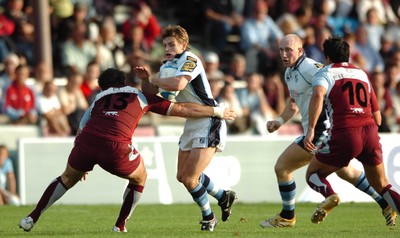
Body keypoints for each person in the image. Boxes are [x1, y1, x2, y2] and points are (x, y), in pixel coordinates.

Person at [19, 68, 236, 233]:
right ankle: (120, 226)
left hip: (86, 143)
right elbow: (182, 109)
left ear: (103, 87)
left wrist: (82, 163)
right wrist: (216, 111)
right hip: (116, 146)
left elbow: (82, 128)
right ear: (123, 82)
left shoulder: (98, 99)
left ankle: (32, 217)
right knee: (140, 177)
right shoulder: (138, 95)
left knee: (66, 178)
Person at [260, 34, 397, 228]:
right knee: (347, 172)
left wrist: (315, 128)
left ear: (300, 51)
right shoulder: (289, 73)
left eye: (288, 50)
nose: (284, 54)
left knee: (283, 167)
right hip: (343, 132)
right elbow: (294, 103)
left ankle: (288, 216)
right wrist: (279, 121)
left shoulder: (311, 68)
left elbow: (328, 87)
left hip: (322, 131)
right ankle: (385, 204)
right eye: (281, 50)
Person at [133, 24, 237, 232]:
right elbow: (153, 93)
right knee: (182, 176)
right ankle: (223, 196)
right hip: (191, 120)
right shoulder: (166, 66)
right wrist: (146, 80)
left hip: (209, 119)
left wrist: (154, 78)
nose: (168, 48)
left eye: (172, 44)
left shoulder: (191, 60)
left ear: (184, 44)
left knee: (190, 178)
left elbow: (179, 84)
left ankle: (209, 218)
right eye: (165, 45)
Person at [304, 37, 400, 226]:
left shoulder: (325, 72)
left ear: (328, 57)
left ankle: (330, 195)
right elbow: (378, 118)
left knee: (312, 173)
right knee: (382, 185)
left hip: (345, 133)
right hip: (370, 132)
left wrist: (311, 129)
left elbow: (317, 94)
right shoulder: (362, 73)